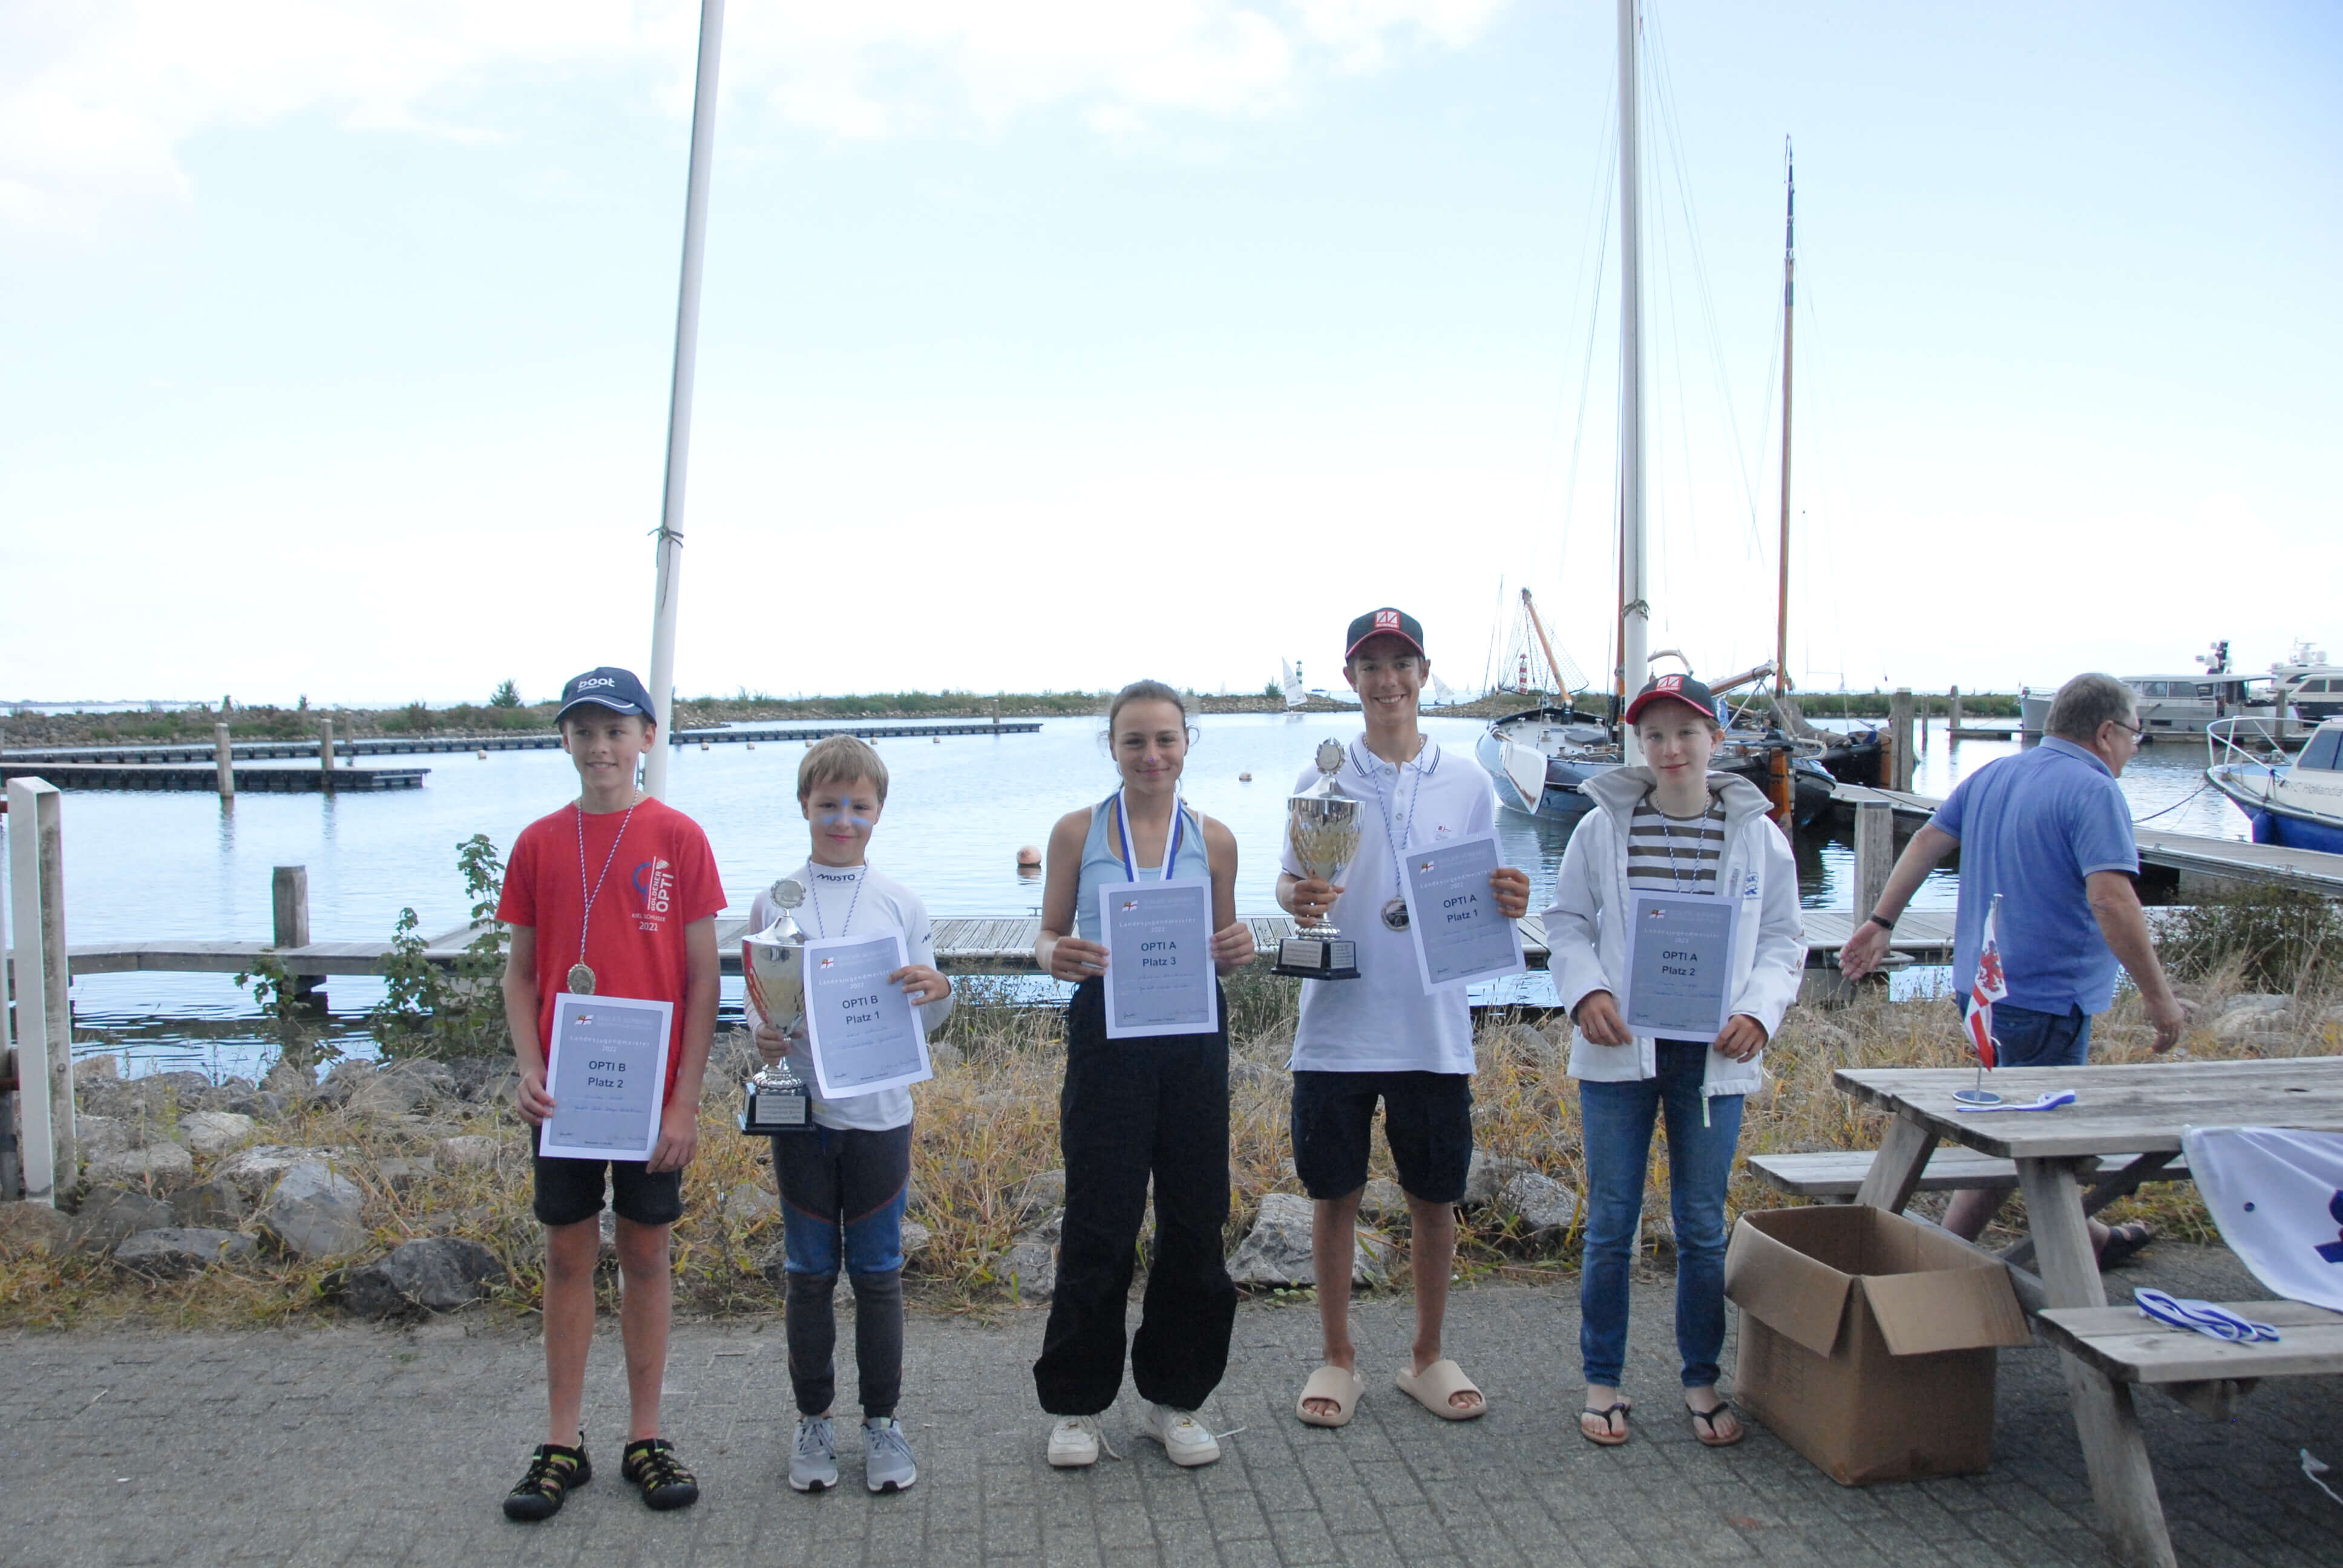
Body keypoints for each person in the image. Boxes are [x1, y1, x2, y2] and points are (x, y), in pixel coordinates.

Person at [1840, 671, 2191, 1261]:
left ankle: (2090, 1239)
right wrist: (2159, 999)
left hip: (1978, 994)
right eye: (2135, 732)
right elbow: (2111, 899)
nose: (2136, 744)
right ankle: (1939, 1266)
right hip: (2045, 1000)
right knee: (2027, 1141)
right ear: (2106, 732)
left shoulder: (1995, 773)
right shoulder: (2093, 789)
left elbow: (1927, 840)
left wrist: (1880, 920)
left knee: (2023, 1127)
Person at [1280, 609, 1531, 1429]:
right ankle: (1338, 1356)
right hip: (1338, 1023)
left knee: (1434, 1199)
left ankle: (1427, 1354)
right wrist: (1300, 896)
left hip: (1432, 1025)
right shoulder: (1320, 780)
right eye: (1371, 665)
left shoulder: (1468, 782)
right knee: (1334, 1198)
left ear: (1425, 672)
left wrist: (1513, 897)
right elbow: (1288, 887)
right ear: (1349, 679)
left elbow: (1492, 890)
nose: (1387, 680)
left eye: (1401, 663)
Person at [1544, 673, 1804, 1448]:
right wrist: (1586, 993)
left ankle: (1700, 1379)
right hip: (1619, 1051)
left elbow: (1783, 939)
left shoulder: (1757, 836)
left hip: (1712, 1059)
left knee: (1699, 1226)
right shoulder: (1601, 828)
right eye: (1652, 735)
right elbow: (1565, 924)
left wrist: (1758, 1008)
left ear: (1714, 741)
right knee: (1610, 1225)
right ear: (1638, 744)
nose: (1669, 749)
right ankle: (1602, 1379)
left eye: (1685, 733)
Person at [498, 667, 724, 1520]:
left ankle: (645, 1436)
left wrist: (685, 1103)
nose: (601, 747)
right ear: (566, 740)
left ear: (647, 739)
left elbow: (704, 980)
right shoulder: (537, 843)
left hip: (650, 1090)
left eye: (617, 730)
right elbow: (520, 975)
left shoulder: (677, 837)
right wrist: (528, 1065)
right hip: (565, 1094)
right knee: (565, 1254)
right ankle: (562, 1441)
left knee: (645, 1252)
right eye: (584, 730)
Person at [1031, 680, 1256, 1469]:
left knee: (1195, 1221)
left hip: (1194, 1035)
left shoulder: (1217, 839)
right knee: (1101, 1220)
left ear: (1187, 743)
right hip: (1108, 1034)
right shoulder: (1075, 834)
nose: (1152, 755)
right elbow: (1047, 937)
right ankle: (1078, 1405)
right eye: (1135, 741)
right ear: (1114, 748)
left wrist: (1241, 947)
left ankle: (1175, 1399)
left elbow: (1227, 942)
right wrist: (1056, 956)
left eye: (1165, 739)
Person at [745, 735, 953, 1496]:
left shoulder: (901, 902)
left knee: (876, 1275)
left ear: (878, 812)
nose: (842, 820)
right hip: (801, 1114)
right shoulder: (777, 900)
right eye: (827, 804)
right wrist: (762, 1033)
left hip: (879, 1114)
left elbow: (928, 1018)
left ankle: (881, 1423)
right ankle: (814, 1423)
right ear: (804, 805)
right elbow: (756, 1010)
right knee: (806, 1274)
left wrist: (937, 991)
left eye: (857, 807)